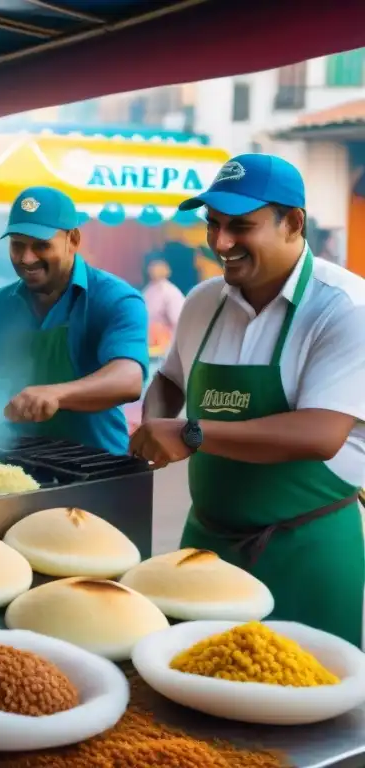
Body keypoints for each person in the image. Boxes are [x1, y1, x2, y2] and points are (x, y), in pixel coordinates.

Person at [131, 154, 365, 646]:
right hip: (205, 552)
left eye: (241, 226)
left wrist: (193, 434)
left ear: (293, 223)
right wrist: (155, 425)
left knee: (302, 705)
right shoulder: (200, 302)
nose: (220, 243)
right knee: (185, 705)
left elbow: (320, 434)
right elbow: (170, 379)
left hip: (306, 551)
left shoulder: (343, 308)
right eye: (212, 225)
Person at [0, 186, 148, 455]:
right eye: (17, 245)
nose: (26, 258)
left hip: (100, 467)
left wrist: (56, 394)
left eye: (41, 245)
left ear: (73, 240)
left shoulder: (115, 299)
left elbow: (128, 380)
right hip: (17, 465)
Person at [143, 258, 185, 336]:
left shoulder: (171, 291)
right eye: (153, 268)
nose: (154, 271)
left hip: (165, 340)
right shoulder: (148, 290)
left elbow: (178, 320)